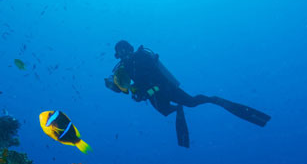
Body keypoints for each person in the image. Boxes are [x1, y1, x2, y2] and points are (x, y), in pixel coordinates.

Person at [105, 40, 271, 148]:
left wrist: (147, 91)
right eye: (120, 53)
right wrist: (113, 87)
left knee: (191, 102)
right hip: (155, 96)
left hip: (167, 89)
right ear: (117, 55)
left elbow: (159, 80)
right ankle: (179, 110)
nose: (124, 54)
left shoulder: (142, 58)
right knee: (167, 110)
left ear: (130, 49)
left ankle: (214, 100)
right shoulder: (123, 69)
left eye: (125, 50)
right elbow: (125, 88)